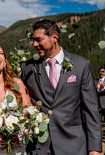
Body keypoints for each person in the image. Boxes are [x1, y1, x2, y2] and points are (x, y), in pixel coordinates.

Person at [19, 20, 100, 155]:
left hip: (73, 144)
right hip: (39, 146)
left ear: (54, 37)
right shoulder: (27, 68)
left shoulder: (81, 65)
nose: (34, 44)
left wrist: (95, 148)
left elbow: (90, 109)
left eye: (39, 40)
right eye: (33, 40)